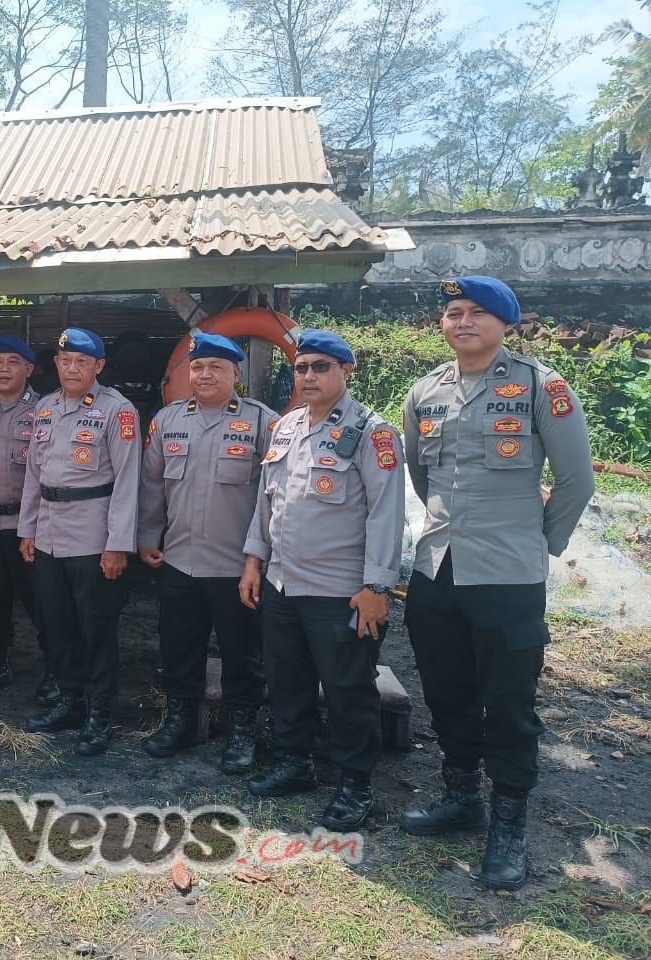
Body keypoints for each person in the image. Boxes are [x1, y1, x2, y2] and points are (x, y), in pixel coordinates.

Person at [400, 276, 594, 890]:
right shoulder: (424, 392)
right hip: (437, 568)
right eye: (453, 312)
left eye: (477, 313)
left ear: (506, 324)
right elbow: (420, 475)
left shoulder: (541, 386)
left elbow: (576, 480)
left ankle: (508, 826)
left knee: (508, 703)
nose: (462, 322)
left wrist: (540, 542)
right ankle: (461, 798)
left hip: (508, 574)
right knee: (446, 692)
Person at [240, 329, 405, 831]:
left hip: (341, 589)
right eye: (301, 367)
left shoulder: (372, 432)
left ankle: (355, 784)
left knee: (348, 689)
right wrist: (253, 560)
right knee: (286, 679)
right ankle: (295, 762)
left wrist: (378, 587)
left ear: (346, 371)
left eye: (320, 367)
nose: (308, 376)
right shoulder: (286, 426)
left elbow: (387, 514)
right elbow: (267, 500)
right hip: (282, 582)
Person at [138, 332, 274, 769]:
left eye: (216, 367)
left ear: (236, 373)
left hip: (237, 566)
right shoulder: (168, 420)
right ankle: (180, 721)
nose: (205, 374)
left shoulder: (263, 423)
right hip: (179, 560)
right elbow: (151, 485)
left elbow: (274, 495)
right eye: (198, 367)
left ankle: (241, 731)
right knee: (179, 647)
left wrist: (260, 556)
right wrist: (147, 536)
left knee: (243, 653)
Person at [19, 327, 140, 756]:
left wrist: (118, 544)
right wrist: (27, 529)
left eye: (82, 362)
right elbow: (34, 474)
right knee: (59, 625)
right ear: (56, 363)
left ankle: (99, 712)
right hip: (49, 533)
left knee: (97, 629)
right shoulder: (45, 408)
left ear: (99, 366)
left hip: (94, 537)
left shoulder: (118, 411)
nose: (72, 368)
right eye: (65, 360)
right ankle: (70, 701)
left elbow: (128, 481)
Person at [0, 336, 53, 702]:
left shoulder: (47, 410)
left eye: (13, 362)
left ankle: (55, 668)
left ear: (29, 369)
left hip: (28, 528)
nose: (4, 369)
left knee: (42, 602)